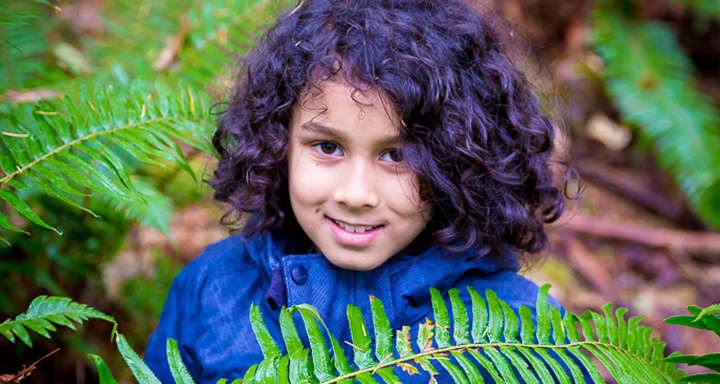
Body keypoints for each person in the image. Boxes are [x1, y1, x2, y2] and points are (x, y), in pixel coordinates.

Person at [144, 0, 576, 382]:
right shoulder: (213, 289)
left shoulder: (521, 334)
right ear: (278, 143)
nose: (355, 194)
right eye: (327, 147)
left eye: (396, 156)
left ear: (458, 162)